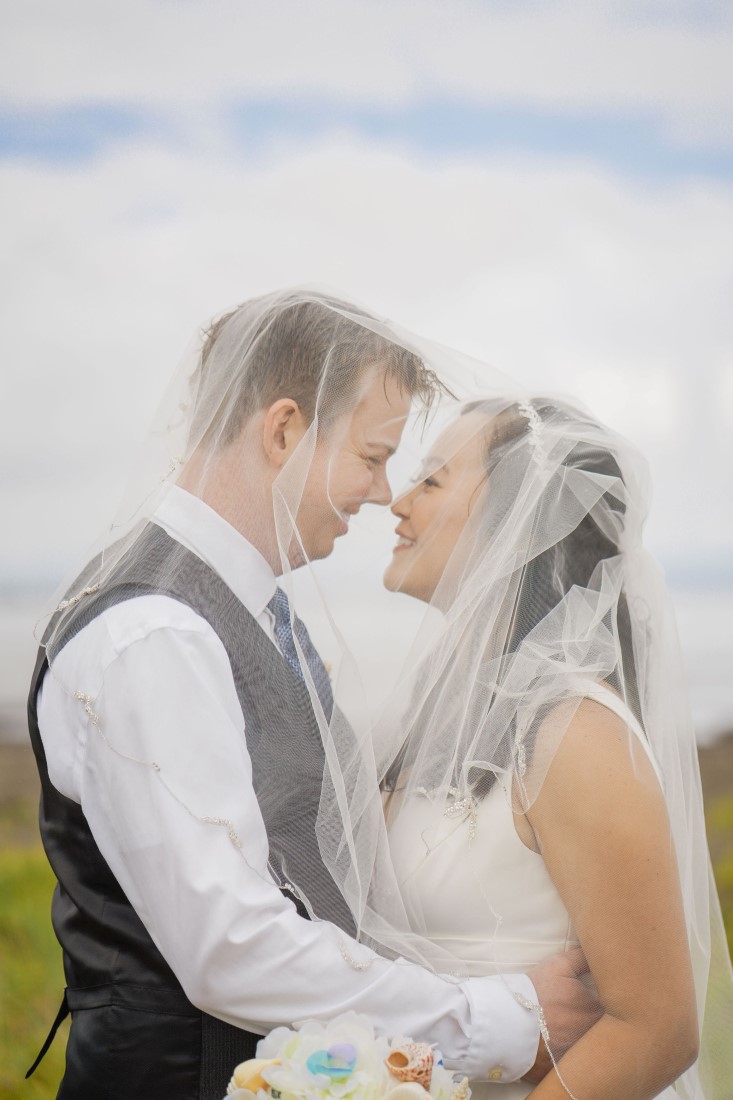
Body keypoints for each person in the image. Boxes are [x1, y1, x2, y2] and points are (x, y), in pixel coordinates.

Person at [27, 293, 599, 1100]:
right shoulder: (157, 636)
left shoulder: (242, 610)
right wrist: (496, 1019)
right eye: (372, 456)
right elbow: (231, 947)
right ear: (284, 430)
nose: (381, 492)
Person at [339, 397, 733, 1098]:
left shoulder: (573, 730)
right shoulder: (439, 709)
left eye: (431, 480)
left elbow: (659, 1028)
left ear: (517, 524)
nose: (396, 502)